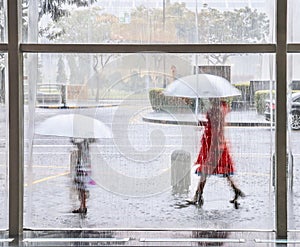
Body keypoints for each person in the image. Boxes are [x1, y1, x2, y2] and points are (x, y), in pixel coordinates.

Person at [187, 98, 245, 209]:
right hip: (215, 144)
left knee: (206, 171)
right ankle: (235, 190)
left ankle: (197, 196)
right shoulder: (220, 108)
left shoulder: (217, 109)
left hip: (213, 145)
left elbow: (215, 127)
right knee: (222, 171)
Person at [72, 139, 91, 214]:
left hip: (82, 166)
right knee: (80, 186)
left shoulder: (83, 143)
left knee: (81, 186)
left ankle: (83, 206)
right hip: (82, 165)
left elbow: (80, 146)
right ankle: (82, 205)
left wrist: (74, 142)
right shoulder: (84, 143)